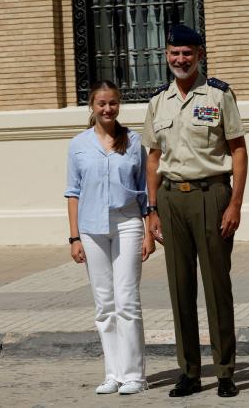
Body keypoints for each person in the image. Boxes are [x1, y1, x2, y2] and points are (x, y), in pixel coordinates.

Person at [142, 24, 248, 398]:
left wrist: (235, 203)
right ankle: (188, 371)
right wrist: (151, 210)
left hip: (211, 195)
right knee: (179, 288)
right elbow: (154, 158)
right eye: (174, 53)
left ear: (199, 56)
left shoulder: (218, 95)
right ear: (167, 56)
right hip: (171, 200)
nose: (180, 59)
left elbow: (237, 150)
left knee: (218, 287)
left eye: (188, 53)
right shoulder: (158, 101)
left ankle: (224, 371)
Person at [65, 80, 155, 395]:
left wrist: (148, 231)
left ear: (119, 105)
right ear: (92, 106)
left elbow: (145, 189)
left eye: (113, 103)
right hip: (91, 228)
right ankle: (113, 373)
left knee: (127, 300)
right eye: (101, 104)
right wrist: (74, 237)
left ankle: (134, 375)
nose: (107, 109)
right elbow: (73, 192)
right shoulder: (77, 144)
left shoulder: (132, 142)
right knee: (104, 304)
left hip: (127, 221)